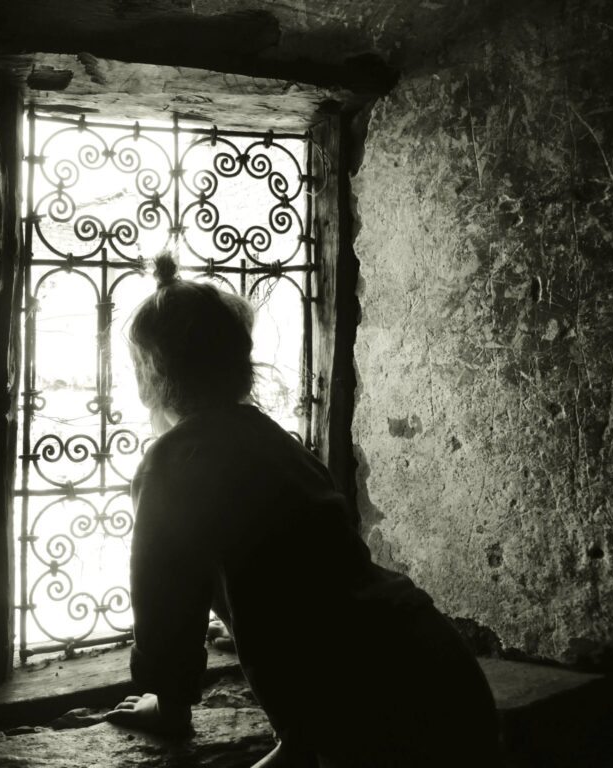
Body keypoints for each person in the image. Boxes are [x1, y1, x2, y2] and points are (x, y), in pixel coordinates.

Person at [104, 252, 501, 768]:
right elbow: (309, 574)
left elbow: (164, 599)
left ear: (148, 373)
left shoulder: (174, 459)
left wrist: (169, 701)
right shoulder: (274, 441)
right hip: (434, 659)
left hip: (359, 696)